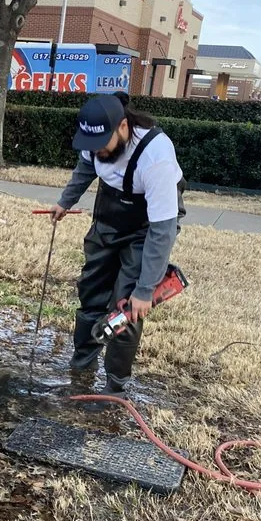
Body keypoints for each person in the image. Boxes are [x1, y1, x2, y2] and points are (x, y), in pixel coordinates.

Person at [50, 92, 185, 396]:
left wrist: (145, 290)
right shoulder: (95, 143)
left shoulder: (156, 157)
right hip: (109, 217)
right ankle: (82, 366)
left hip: (146, 227)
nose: (96, 150)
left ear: (123, 126)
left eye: (102, 144)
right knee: (91, 290)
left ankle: (115, 387)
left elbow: (162, 231)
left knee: (126, 308)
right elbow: (86, 169)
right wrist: (65, 201)